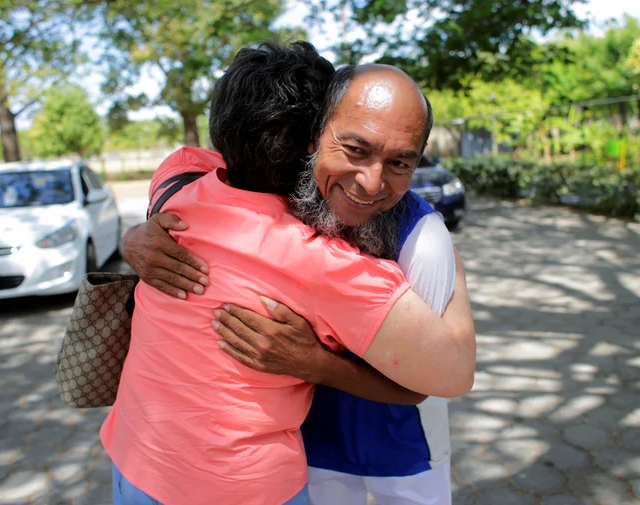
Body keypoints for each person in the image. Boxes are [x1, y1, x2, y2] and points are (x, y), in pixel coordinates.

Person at [104, 41, 475, 505]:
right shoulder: (323, 264)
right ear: (312, 141)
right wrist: (455, 268)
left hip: (133, 464)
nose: (372, 181)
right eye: (354, 146)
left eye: (400, 161)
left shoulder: (178, 184)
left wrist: (135, 235)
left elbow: (193, 163)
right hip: (244, 489)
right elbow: (454, 374)